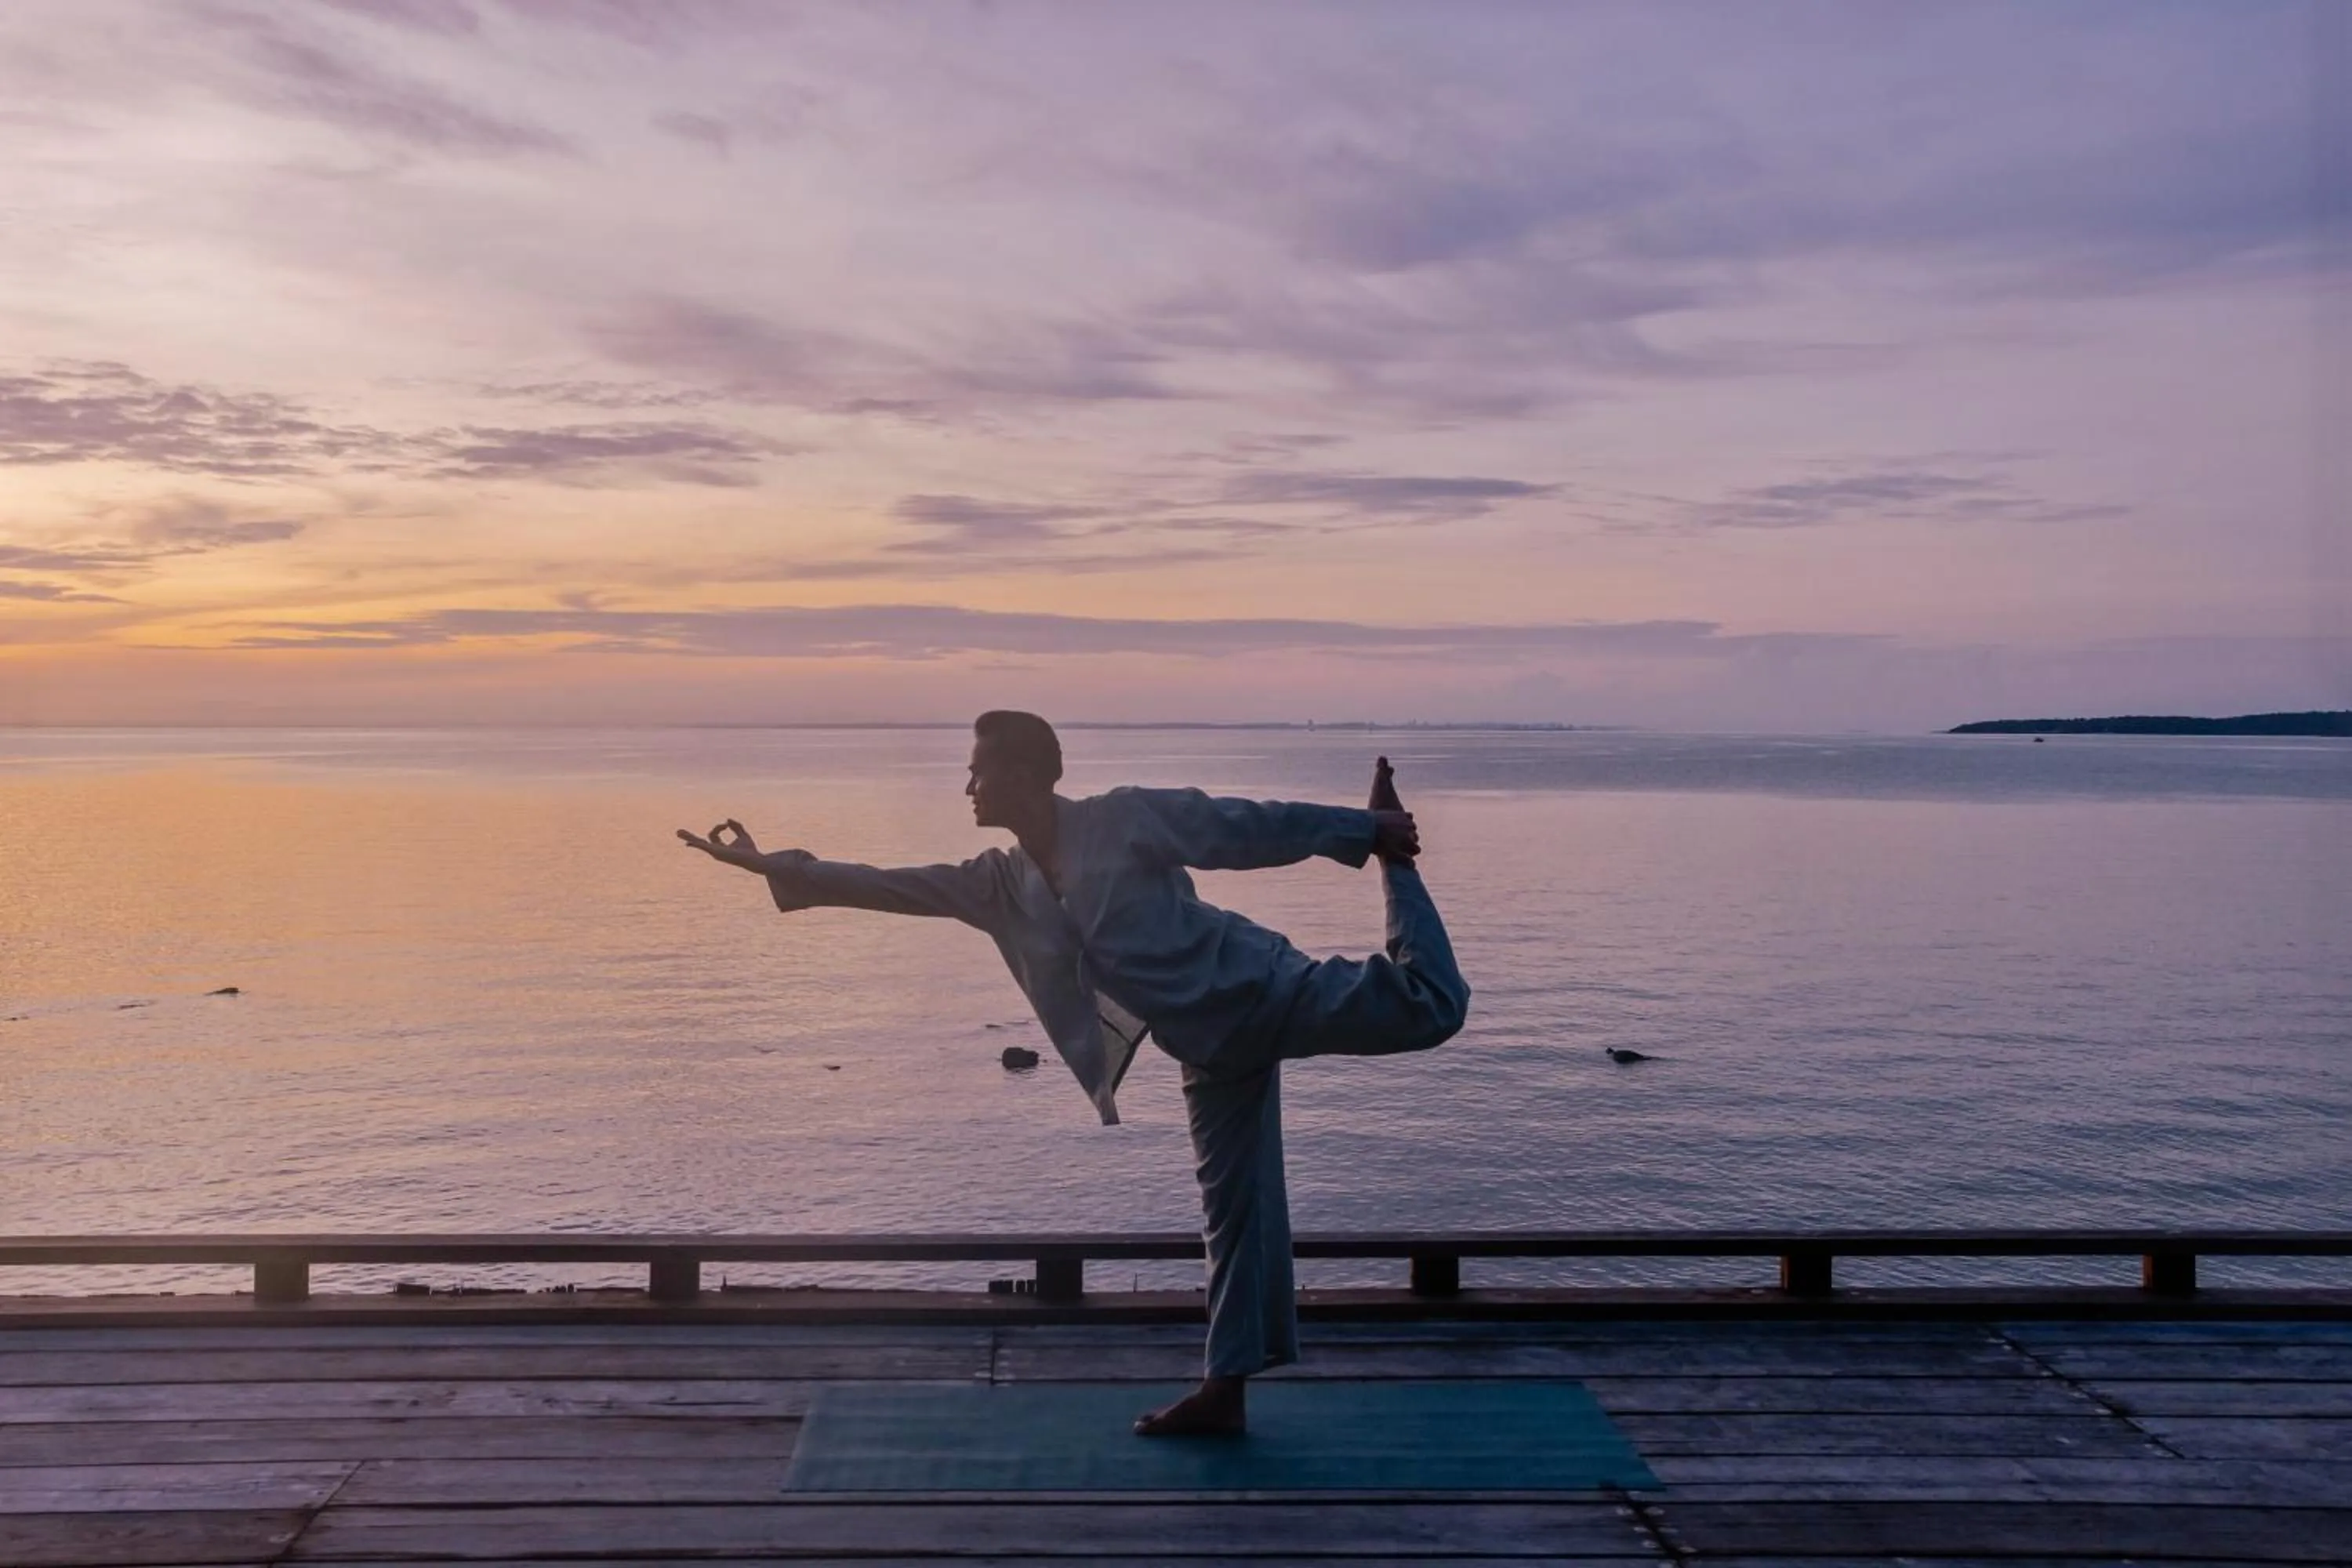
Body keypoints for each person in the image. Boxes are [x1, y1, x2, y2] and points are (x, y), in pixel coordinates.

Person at [677, 710, 1470, 1436]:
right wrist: (762, 864)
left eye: (978, 771)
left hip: (1257, 988)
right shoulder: (999, 881)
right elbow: (888, 884)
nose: (967, 786)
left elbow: (1239, 827)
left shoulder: (1121, 818)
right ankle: (1224, 1393)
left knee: (1432, 1004)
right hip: (1205, 1046)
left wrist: (1367, 832)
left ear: (1028, 774)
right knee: (1233, 1215)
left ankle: (1401, 865)